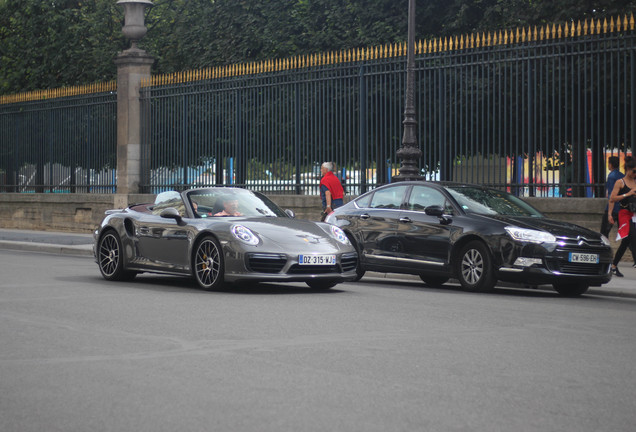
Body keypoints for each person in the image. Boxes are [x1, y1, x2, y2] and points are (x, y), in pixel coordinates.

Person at [608, 156, 636, 277]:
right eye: (634, 171)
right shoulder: (620, 182)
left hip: (634, 213)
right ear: (628, 169)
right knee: (632, 237)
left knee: (626, 241)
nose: (635, 174)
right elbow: (612, 198)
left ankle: (613, 266)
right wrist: (627, 194)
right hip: (624, 213)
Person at [600, 156, 624, 237]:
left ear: (610, 164)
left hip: (612, 208)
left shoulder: (611, 176)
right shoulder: (622, 175)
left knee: (604, 232)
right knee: (625, 232)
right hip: (621, 207)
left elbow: (611, 195)